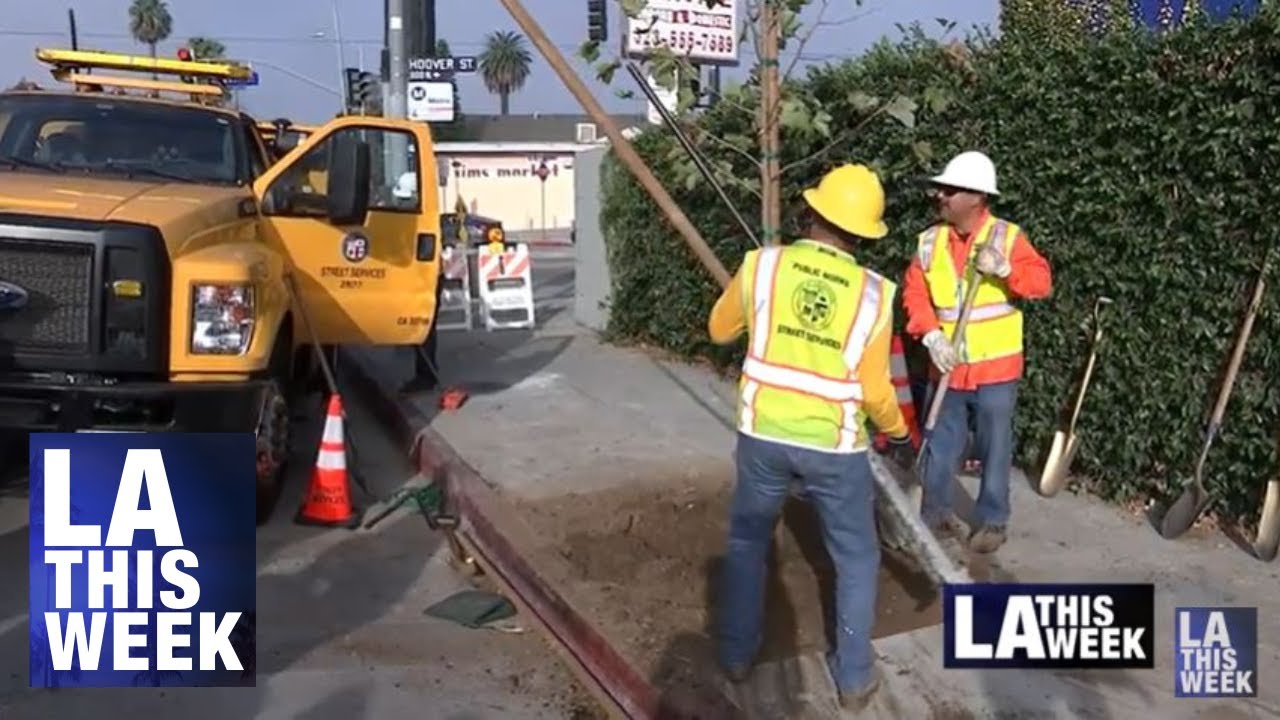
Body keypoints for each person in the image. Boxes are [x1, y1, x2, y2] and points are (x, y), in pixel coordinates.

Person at [706, 163, 913, 711]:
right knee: (856, 558)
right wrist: (898, 433)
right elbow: (875, 389)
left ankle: (736, 655)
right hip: (835, 448)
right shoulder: (874, 295)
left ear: (814, 212)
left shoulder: (762, 266)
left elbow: (719, 330)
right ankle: (853, 679)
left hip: (763, 435)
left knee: (749, 542)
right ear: (864, 233)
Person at [902, 150, 1053, 554]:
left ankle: (992, 521)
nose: (940, 196)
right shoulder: (929, 242)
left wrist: (1006, 270)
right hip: (946, 367)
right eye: (941, 189)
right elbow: (915, 295)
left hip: (995, 369)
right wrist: (931, 336)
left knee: (995, 448)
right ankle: (933, 515)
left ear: (976, 197)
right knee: (939, 446)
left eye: (949, 190)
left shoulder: (1007, 237)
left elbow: (1041, 283)